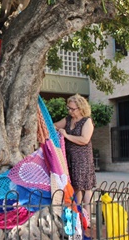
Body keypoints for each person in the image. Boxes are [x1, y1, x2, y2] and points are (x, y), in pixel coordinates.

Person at [54, 94, 96, 237]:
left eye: (73, 109)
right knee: (74, 186)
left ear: (81, 108)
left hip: (82, 157)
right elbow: (54, 125)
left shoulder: (86, 121)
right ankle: (77, 214)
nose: (70, 111)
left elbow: (84, 139)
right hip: (70, 157)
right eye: (69, 108)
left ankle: (87, 216)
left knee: (85, 186)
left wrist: (66, 136)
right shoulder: (68, 119)